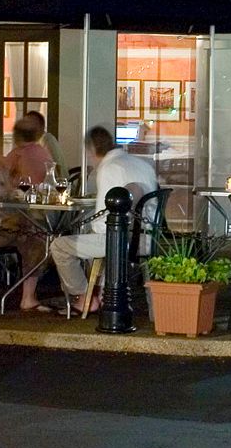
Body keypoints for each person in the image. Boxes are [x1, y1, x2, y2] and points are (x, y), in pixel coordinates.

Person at [45, 126, 158, 315]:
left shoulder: (109, 168)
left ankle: (84, 297)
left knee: (59, 246)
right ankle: (103, 295)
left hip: (121, 242)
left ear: (92, 150)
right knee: (94, 241)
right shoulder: (142, 164)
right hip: (147, 238)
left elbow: (103, 221)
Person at [5, 115, 55, 188]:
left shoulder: (17, 154)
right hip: (44, 191)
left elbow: (3, 177)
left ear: (17, 136)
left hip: (25, 192)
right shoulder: (43, 152)